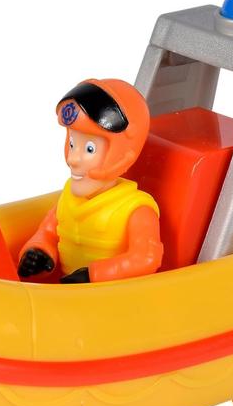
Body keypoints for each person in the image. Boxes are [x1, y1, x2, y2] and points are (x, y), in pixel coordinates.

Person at [18, 78, 163, 283]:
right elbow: (48, 232)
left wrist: (92, 275)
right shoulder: (69, 197)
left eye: (89, 149)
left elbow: (146, 258)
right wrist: (39, 252)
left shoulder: (136, 210)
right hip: (70, 291)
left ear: (121, 155)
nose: (73, 159)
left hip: (112, 296)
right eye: (72, 144)